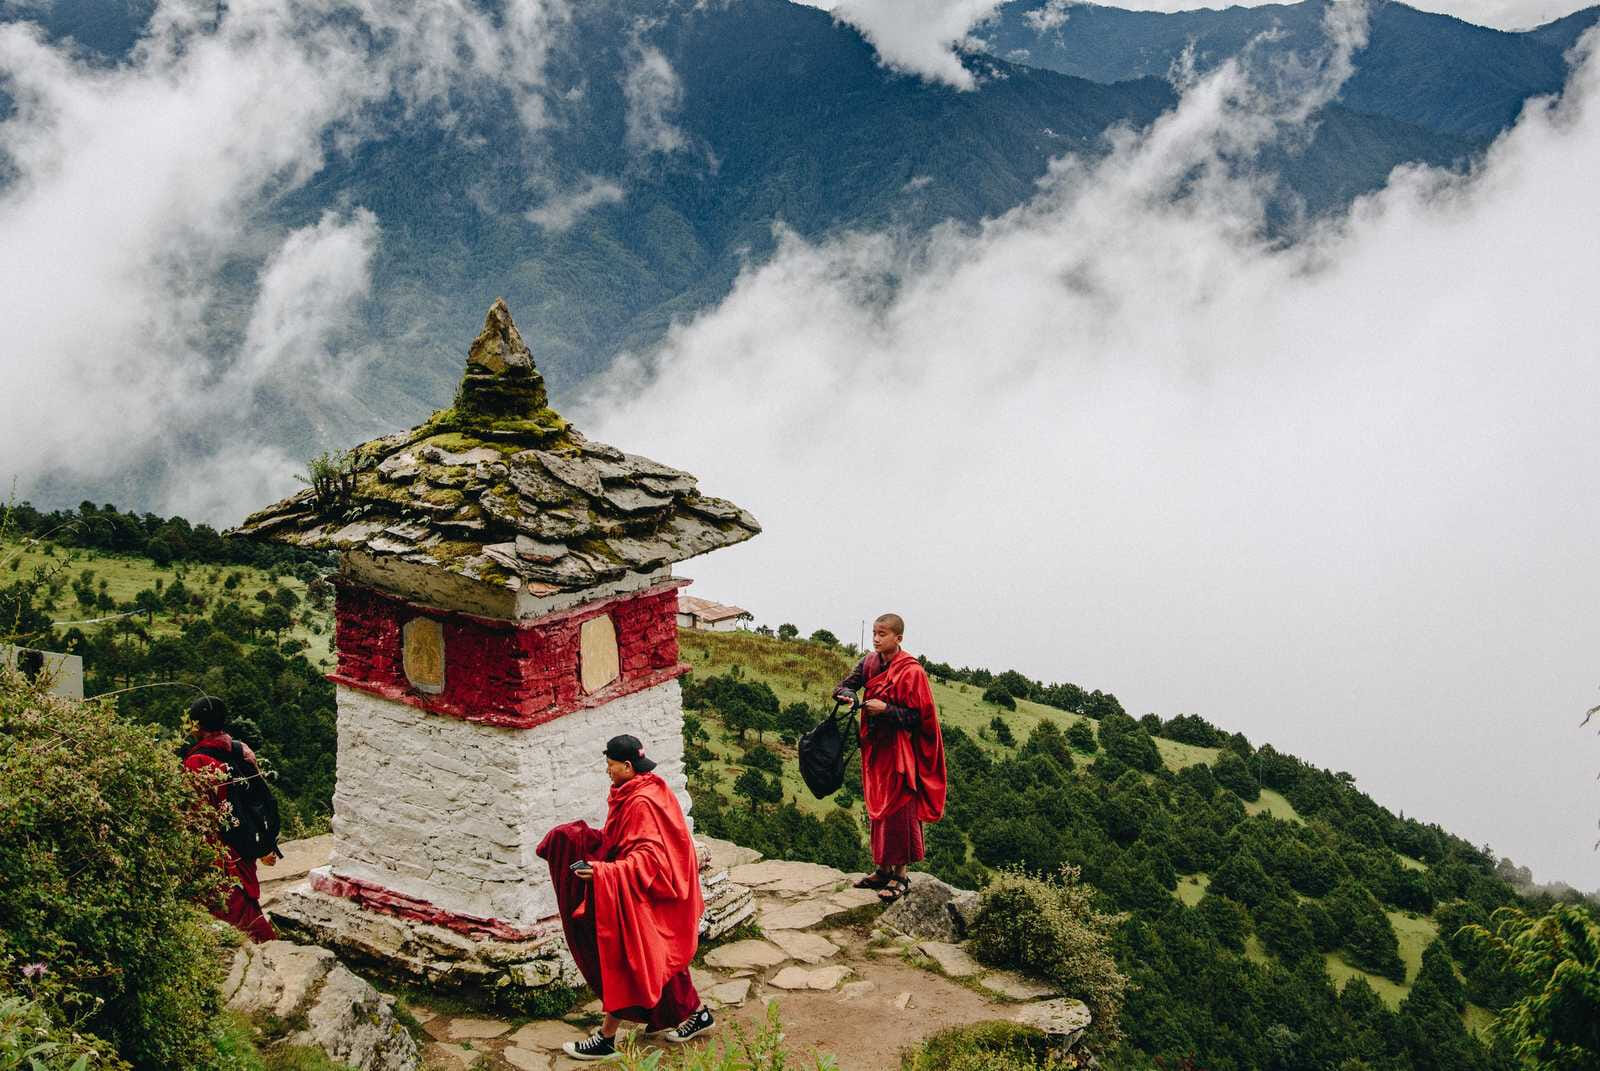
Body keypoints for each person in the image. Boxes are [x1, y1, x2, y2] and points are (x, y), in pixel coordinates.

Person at [538, 734, 714, 1061]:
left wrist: (604, 873)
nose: (608, 771)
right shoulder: (643, 789)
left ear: (628, 767)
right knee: (657, 959)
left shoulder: (643, 802)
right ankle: (696, 1014)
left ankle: (606, 1038)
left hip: (653, 892)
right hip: (643, 889)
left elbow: (648, 858)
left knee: (628, 958)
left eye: (611, 765)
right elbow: (624, 843)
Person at [834, 613, 946, 903]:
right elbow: (845, 685)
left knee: (900, 809)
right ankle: (882, 869)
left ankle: (901, 875)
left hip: (901, 751)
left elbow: (917, 717)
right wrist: (847, 695)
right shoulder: (870, 663)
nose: (876, 638)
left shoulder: (912, 671)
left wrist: (886, 710)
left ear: (898, 638)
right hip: (876, 748)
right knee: (878, 807)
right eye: (874, 632)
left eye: (882, 634)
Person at [180, 696, 278, 943]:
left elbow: (197, 816)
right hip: (245, 838)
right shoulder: (241, 749)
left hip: (221, 848)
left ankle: (268, 949)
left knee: (233, 908)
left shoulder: (197, 762)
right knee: (244, 902)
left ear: (196, 726)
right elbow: (258, 795)